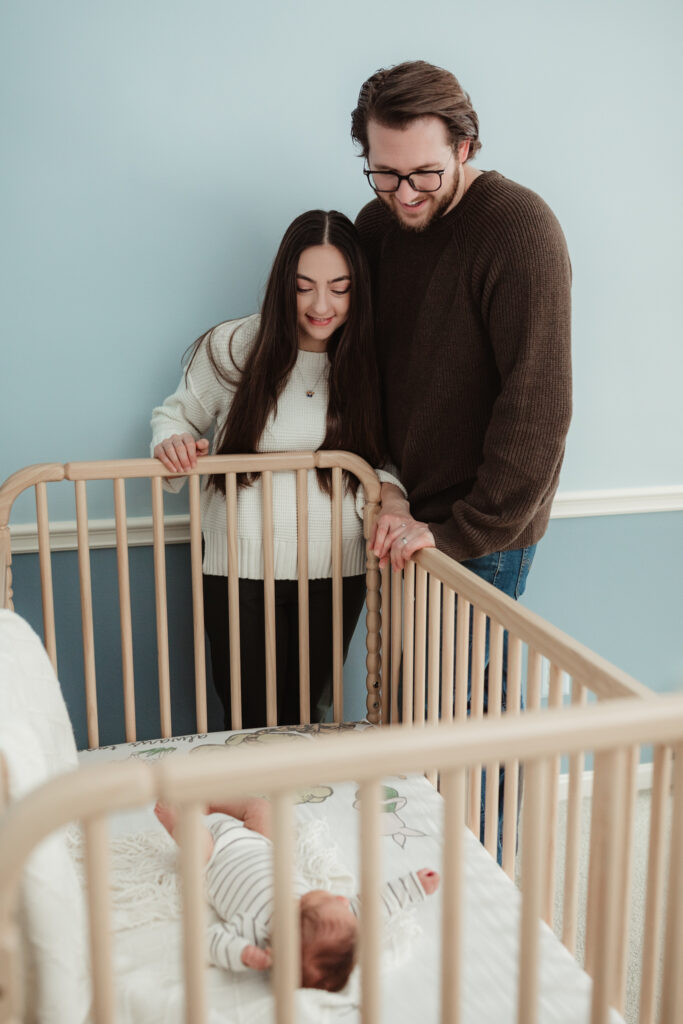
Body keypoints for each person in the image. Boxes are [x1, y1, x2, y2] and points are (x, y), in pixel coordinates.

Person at [350, 61, 572, 859]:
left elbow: (538, 404)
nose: (404, 194)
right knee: (411, 702)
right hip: (404, 508)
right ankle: (421, 860)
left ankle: (486, 873)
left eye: (424, 174)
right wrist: (387, 485)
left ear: (466, 145)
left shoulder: (517, 228)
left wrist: (455, 535)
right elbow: (362, 366)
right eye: (384, 174)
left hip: (485, 526)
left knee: (470, 709)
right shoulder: (373, 230)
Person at [151, 210, 404, 730]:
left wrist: (393, 495)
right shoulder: (234, 346)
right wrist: (171, 441)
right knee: (248, 717)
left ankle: (295, 812)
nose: (320, 305)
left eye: (340, 288)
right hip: (240, 563)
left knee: (307, 713)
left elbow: (386, 459)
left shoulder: (369, 359)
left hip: (338, 566)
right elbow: (173, 415)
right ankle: (247, 811)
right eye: (303, 286)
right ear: (281, 283)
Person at [154, 797, 440, 992]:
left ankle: (174, 819)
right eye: (344, 905)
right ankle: (212, 801)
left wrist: (244, 954)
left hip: (213, 856)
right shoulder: (339, 918)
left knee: (196, 841)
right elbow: (376, 904)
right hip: (261, 843)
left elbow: (210, 942)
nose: (343, 900)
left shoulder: (255, 929)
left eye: (330, 900)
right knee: (263, 808)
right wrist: (415, 885)